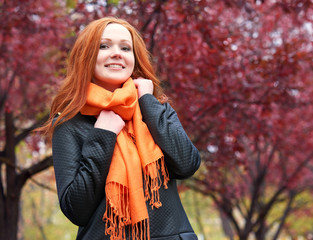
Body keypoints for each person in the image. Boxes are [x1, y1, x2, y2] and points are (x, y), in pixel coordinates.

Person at [40, 17, 201, 240]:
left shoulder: (155, 108)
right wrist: (102, 136)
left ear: (134, 58)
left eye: (126, 48)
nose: (117, 53)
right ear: (86, 57)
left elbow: (187, 165)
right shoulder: (69, 123)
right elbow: (76, 210)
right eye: (104, 46)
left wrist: (147, 100)